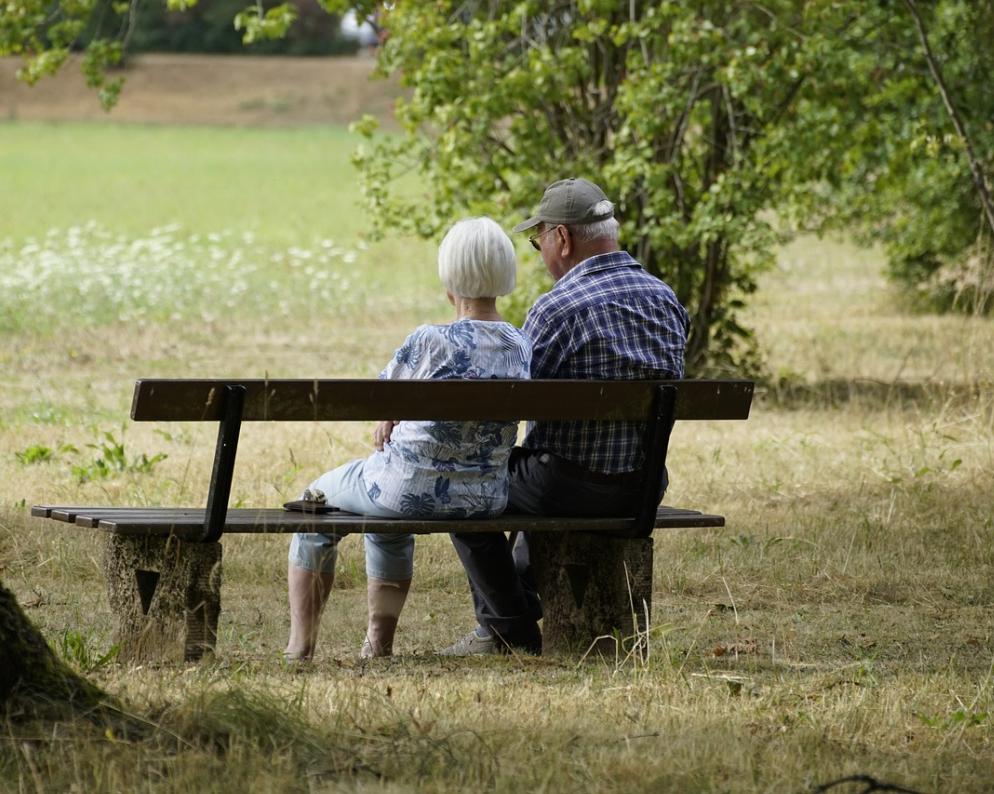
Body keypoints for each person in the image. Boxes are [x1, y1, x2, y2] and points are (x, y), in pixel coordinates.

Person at [443, 178, 690, 656]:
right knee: (539, 469)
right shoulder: (667, 301)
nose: (540, 254)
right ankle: (509, 614)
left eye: (538, 243)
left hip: (566, 487)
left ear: (562, 238)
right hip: (642, 486)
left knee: (461, 482)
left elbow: (510, 403)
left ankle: (509, 629)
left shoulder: (556, 309)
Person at [284, 217, 531, 661]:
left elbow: (380, 398)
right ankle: (377, 646)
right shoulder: (520, 344)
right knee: (383, 516)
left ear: (449, 276)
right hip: (483, 498)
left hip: (405, 490)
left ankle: (300, 647)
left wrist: (389, 416)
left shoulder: (430, 341)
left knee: (314, 502)